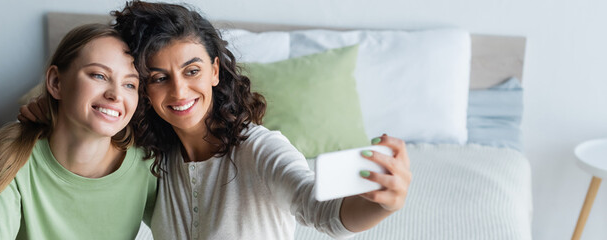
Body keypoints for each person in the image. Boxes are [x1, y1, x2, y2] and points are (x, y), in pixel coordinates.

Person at [22, 1, 412, 239]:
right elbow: (86, 131)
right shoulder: (150, 156)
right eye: (159, 78)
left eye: (191, 71)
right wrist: (48, 113)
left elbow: (323, 212)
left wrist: (384, 204)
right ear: (143, 86)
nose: (178, 92)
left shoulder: (259, 149)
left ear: (214, 71)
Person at [0, 23, 156, 239]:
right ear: (55, 82)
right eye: (99, 75)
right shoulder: (10, 158)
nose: (116, 94)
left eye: (130, 85)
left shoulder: (147, 165)